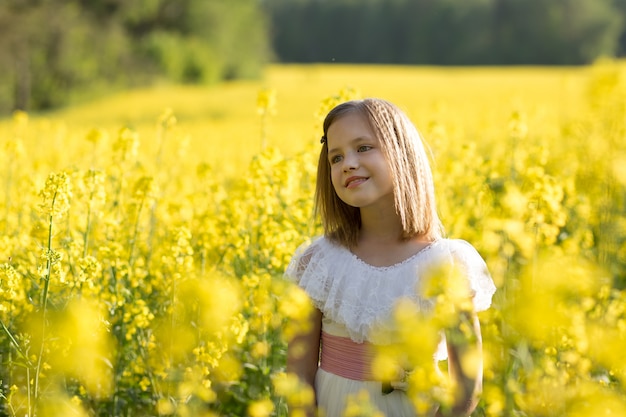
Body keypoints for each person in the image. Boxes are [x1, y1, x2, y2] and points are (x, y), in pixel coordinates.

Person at [285, 98, 496, 417]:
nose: (348, 164)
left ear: (402, 152)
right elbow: (298, 376)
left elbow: (468, 384)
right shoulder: (318, 262)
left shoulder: (448, 264)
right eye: (336, 157)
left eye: (363, 148)